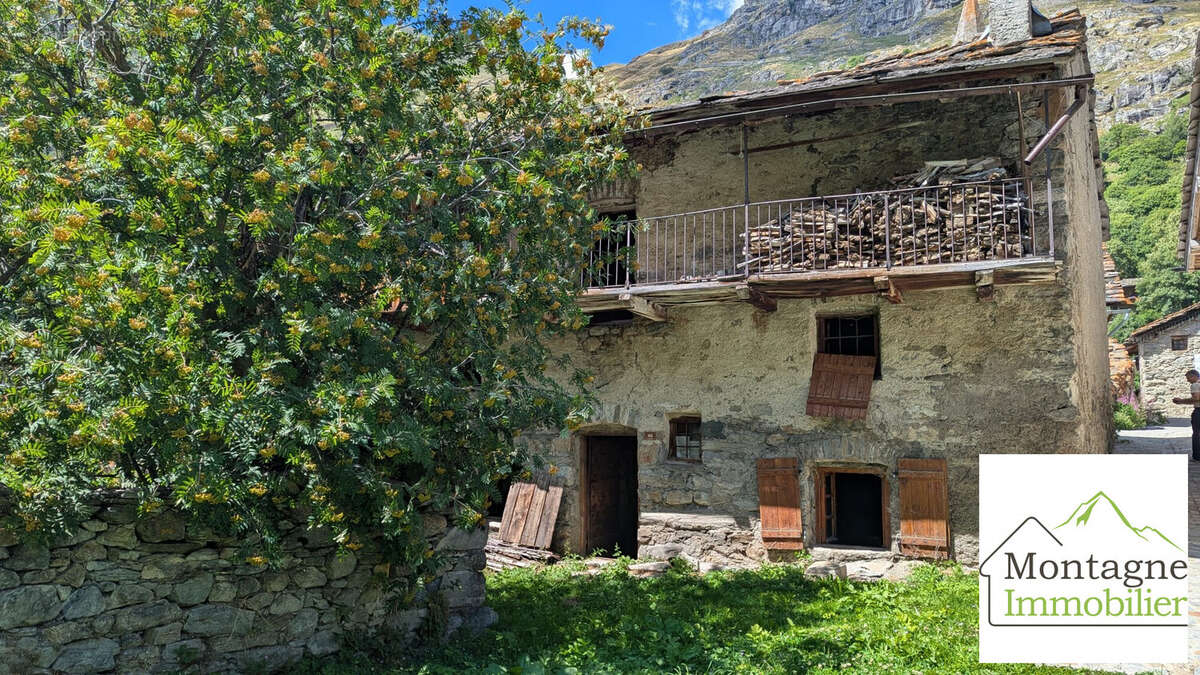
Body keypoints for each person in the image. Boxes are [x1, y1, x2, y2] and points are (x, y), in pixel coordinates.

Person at [1171, 369, 1200, 461]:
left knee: (1197, 434)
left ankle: (1197, 456)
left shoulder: (1195, 385)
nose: (1188, 381)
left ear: (1194, 376)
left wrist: (1181, 401)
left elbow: (1196, 399)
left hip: (1199, 411)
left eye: (1188, 378)